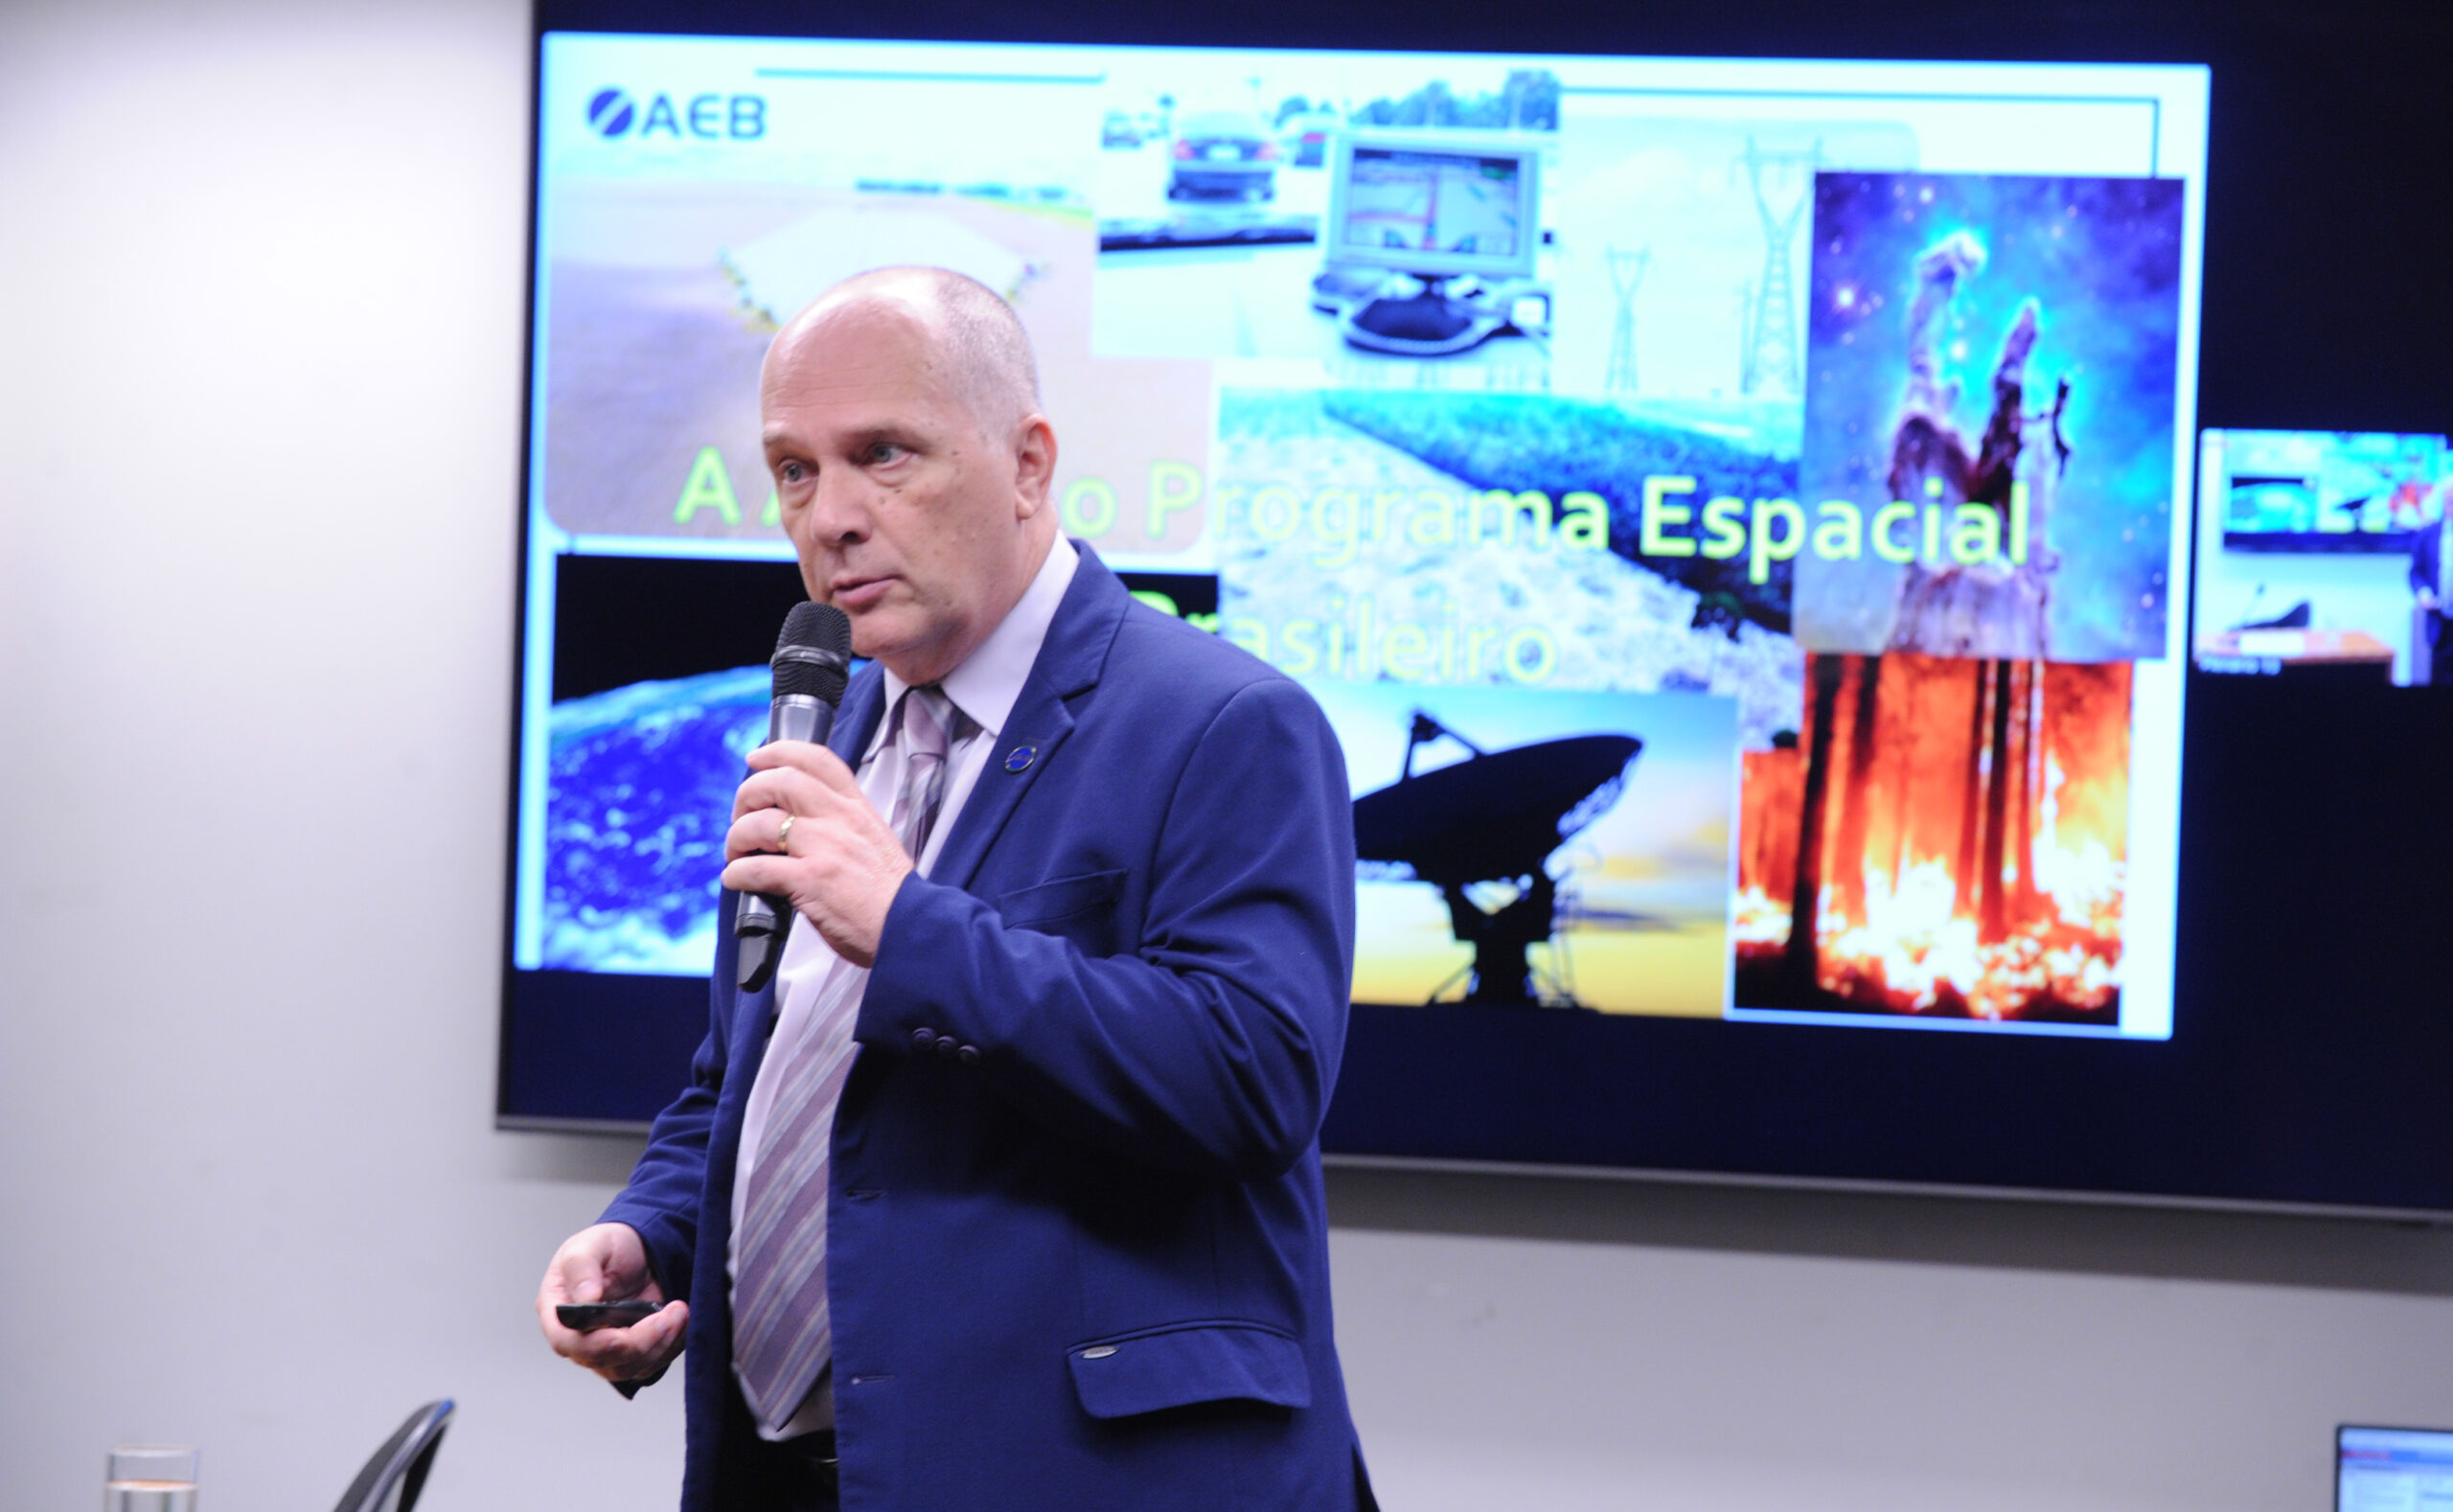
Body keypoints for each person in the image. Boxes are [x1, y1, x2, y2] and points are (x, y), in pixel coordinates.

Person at [534, 265, 1374, 1511]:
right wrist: (656, 1230)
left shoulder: (1226, 721)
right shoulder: (826, 729)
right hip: (795, 1476)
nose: (830, 516)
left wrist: (909, 928)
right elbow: (752, 1079)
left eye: (884, 454)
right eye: (795, 470)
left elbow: (1253, 1075)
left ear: (1029, 464)